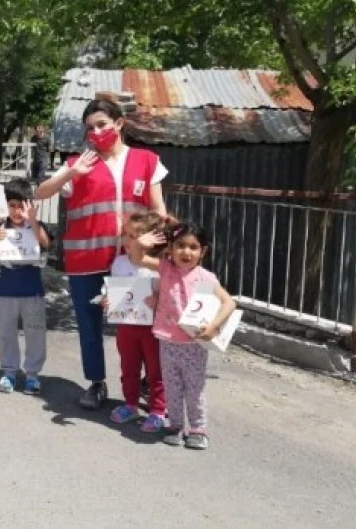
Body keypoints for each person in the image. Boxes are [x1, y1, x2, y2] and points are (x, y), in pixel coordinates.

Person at [35, 97, 168, 410]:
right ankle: (96, 382)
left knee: (143, 322)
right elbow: (41, 193)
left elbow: (158, 209)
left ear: (119, 124)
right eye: (90, 128)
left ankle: (147, 385)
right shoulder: (79, 162)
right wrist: (72, 173)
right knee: (89, 324)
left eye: (102, 125)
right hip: (86, 260)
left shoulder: (147, 160)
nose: (96, 132)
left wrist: (165, 246)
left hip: (133, 259)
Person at [141, 222, 236, 450]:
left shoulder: (206, 278)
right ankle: (174, 426)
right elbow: (138, 258)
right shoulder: (165, 269)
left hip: (193, 345)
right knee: (172, 388)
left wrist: (213, 326)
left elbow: (229, 302)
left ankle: (198, 429)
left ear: (203, 252)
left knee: (195, 388)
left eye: (193, 247)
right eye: (180, 246)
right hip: (167, 342)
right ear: (170, 249)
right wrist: (139, 244)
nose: (186, 252)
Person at [0, 180, 51, 395]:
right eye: (12, 205)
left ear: (29, 205)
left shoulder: (36, 226)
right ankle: (9, 372)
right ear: (5, 206)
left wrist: (33, 221)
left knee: (36, 332)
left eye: (22, 205)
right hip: (7, 288)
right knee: (6, 332)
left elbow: (47, 244)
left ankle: (32, 375)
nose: (17, 210)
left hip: (33, 288)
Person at [101, 211, 169, 432]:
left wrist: (158, 299)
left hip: (152, 329)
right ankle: (130, 404)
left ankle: (158, 410)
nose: (128, 241)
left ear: (152, 240)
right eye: (127, 235)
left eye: (135, 236)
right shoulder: (119, 262)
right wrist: (106, 298)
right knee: (128, 367)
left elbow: (170, 295)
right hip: (126, 327)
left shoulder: (159, 266)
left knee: (155, 370)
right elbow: (112, 288)